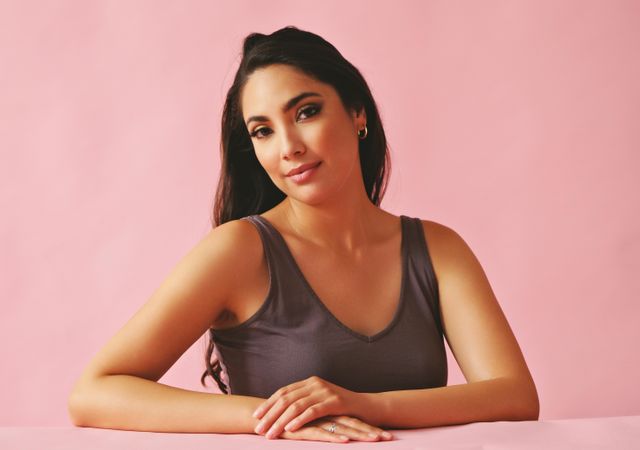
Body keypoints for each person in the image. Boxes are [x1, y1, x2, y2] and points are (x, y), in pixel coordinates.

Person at [67, 26, 539, 443]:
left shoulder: (437, 250)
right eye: (262, 131)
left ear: (358, 114)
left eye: (307, 112)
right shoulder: (239, 250)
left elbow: (516, 397)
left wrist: (364, 404)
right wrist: (276, 416)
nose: (289, 147)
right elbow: (93, 394)